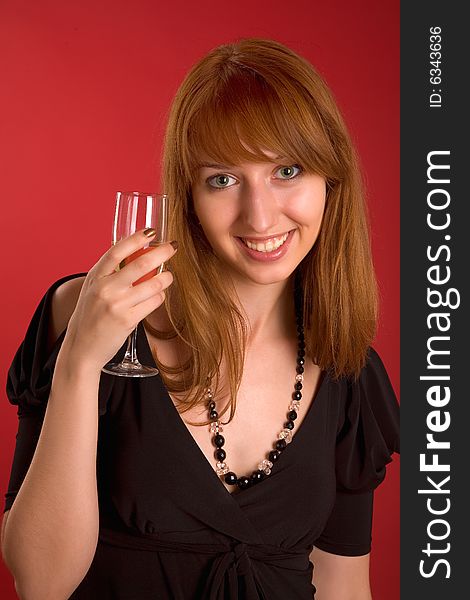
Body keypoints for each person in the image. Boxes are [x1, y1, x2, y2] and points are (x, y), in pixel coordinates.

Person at [1, 38, 399, 599]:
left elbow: (342, 586)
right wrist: (81, 360)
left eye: (287, 170)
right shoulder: (90, 317)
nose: (260, 216)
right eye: (223, 179)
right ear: (187, 196)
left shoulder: (349, 373)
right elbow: (39, 583)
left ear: (331, 184)